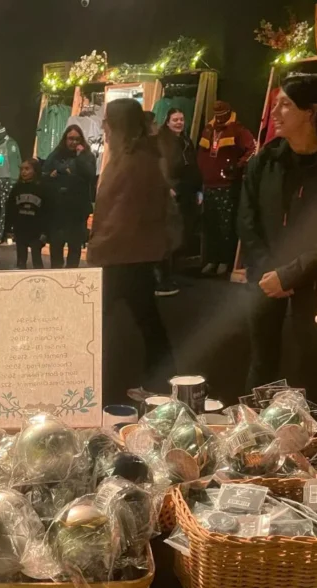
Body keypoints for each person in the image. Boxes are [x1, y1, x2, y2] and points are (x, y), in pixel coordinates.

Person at [238, 75, 317, 407]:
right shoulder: (265, 161)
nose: (275, 112)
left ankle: (316, 438)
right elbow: (247, 220)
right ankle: (255, 437)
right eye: (276, 103)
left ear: (311, 112)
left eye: (285, 105)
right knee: (262, 360)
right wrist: (272, 273)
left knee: (312, 362)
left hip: (313, 281)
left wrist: (292, 275)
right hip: (264, 278)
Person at [88, 98, 177, 394]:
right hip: (132, 254)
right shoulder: (138, 155)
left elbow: (123, 216)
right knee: (146, 318)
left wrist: (96, 250)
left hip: (120, 256)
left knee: (91, 318)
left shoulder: (133, 161)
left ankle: (82, 383)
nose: (105, 129)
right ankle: (163, 381)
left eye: (107, 123)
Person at [197, 101, 256, 276]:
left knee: (226, 225)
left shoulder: (237, 129)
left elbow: (253, 148)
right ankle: (212, 259)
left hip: (226, 184)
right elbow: (201, 153)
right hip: (208, 184)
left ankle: (225, 260)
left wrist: (238, 166)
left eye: (223, 114)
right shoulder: (208, 129)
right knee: (210, 224)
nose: (220, 117)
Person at [156, 108, 203, 296]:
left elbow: (193, 164)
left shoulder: (185, 140)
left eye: (181, 119)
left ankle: (174, 272)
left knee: (183, 231)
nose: (179, 122)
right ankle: (164, 276)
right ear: (167, 122)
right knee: (170, 233)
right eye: (175, 119)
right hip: (173, 191)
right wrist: (168, 187)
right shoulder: (162, 141)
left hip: (187, 191)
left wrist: (198, 189)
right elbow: (161, 167)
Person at [43, 124, 96, 268]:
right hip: (58, 209)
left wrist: (79, 157)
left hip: (77, 209)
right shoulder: (56, 154)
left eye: (77, 139)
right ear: (65, 139)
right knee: (56, 245)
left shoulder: (87, 156)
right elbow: (44, 174)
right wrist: (52, 174)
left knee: (74, 246)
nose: (73, 142)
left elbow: (90, 175)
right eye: (70, 139)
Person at [5, 159, 48, 269]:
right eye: (22, 169)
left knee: (36, 259)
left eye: (27, 169)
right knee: (21, 260)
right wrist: (8, 229)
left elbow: (48, 211)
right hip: (20, 229)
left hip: (36, 231)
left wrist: (45, 232)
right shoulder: (17, 188)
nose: (23, 172)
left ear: (35, 170)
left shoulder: (42, 188)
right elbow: (10, 209)